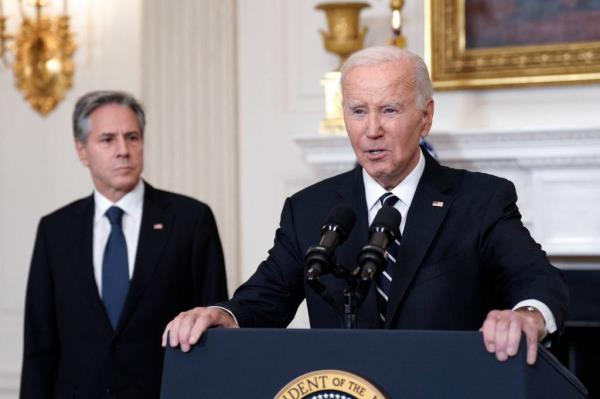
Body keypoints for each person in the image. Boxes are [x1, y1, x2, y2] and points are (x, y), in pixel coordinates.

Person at [163, 46, 568, 366]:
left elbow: (538, 279)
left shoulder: (479, 200)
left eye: (389, 110)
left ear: (425, 117)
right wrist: (223, 315)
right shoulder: (309, 209)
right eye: (358, 112)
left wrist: (528, 315)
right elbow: (265, 297)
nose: (372, 130)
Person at [20, 91, 229, 399]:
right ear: (82, 150)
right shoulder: (56, 230)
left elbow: (215, 330)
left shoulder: (190, 220)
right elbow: (40, 346)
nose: (123, 150)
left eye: (132, 137)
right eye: (107, 140)